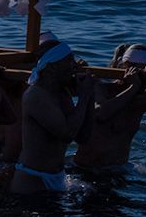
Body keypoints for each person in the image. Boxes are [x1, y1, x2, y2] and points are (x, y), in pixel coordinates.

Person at [75, 43, 146, 174]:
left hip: (118, 169)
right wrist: (133, 87)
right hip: (86, 169)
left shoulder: (144, 98)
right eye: (143, 72)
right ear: (127, 68)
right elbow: (101, 113)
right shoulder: (101, 88)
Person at [10, 35, 96, 194]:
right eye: (69, 61)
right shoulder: (36, 95)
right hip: (33, 179)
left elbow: (82, 137)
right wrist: (83, 98)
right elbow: (66, 134)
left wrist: (90, 96)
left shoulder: (62, 93)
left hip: (58, 176)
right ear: (52, 67)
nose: (75, 66)